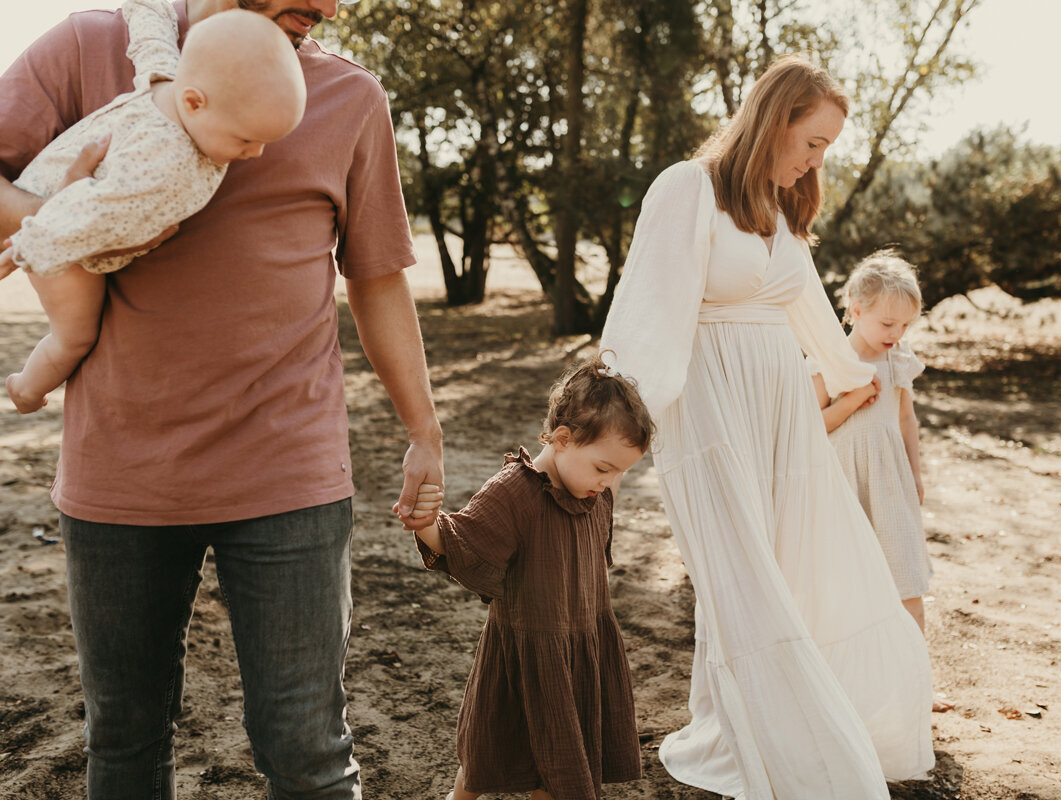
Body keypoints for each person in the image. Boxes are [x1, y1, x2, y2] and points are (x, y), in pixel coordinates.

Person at [0, 0, 442, 798]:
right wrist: (57, 218)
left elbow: (377, 279)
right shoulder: (90, 48)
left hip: (288, 482)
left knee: (307, 754)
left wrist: (426, 431)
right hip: (119, 479)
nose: (327, 6)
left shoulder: (348, 98)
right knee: (124, 742)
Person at [600, 55, 935, 798]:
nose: (817, 160)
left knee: (794, 564)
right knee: (741, 569)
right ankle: (772, 735)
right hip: (712, 402)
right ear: (773, 120)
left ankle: (754, 720)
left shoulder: (779, 210)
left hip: (780, 406)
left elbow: (809, 307)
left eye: (826, 149)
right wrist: (616, 427)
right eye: (812, 142)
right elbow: (646, 311)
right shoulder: (689, 188)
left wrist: (852, 381)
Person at [2, 0, 306, 414]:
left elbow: (150, 38)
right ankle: (26, 389)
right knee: (74, 335)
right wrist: (30, 245)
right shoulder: (164, 161)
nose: (255, 153)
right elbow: (94, 209)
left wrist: (150, 6)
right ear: (196, 102)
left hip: (65, 204)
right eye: (245, 140)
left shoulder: (166, 81)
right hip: (67, 234)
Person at [402, 355, 652, 800]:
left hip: (576, 651)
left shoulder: (594, 496)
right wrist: (424, 521)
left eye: (620, 472)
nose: (610, 482)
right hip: (525, 654)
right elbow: (461, 539)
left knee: (560, 767)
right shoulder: (516, 490)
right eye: (603, 468)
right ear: (562, 439)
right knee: (482, 761)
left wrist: (603, 477)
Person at [811, 249, 955, 714]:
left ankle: (916, 686)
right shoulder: (829, 357)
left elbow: (907, 417)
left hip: (889, 480)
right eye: (887, 324)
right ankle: (846, 686)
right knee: (847, 584)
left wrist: (915, 471)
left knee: (905, 580)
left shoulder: (900, 359)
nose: (896, 335)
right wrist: (851, 400)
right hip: (843, 482)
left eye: (906, 326)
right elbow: (810, 426)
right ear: (855, 310)